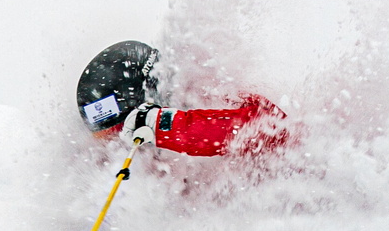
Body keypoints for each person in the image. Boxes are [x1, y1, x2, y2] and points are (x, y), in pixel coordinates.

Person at [77, 39, 287, 157]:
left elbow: (270, 128)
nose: (120, 147)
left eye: (121, 134)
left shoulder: (209, 94)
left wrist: (165, 126)